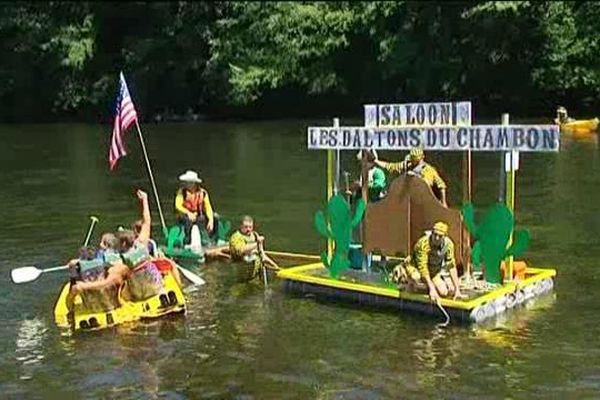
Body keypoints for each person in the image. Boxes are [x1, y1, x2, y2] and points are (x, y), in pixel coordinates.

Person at [71, 190, 172, 300]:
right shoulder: (142, 243)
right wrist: (145, 200)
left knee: (119, 279)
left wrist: (80, 272)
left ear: (123, 243)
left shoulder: (120, 260)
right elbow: (147, 221)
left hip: (139, 294)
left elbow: (101, 270)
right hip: (157, 287)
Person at [391, 221, 465, 302]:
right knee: (416, 277)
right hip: (415, 267)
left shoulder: (449, 245)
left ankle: (421, 286)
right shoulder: (423, 244)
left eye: (440, 236)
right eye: (435, 235)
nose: (436, 238)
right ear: (432, 233)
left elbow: (451, 266)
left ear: (444, 236)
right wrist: (432, 289)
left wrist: (457, 290)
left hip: (433, 270)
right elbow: (423, 268)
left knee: (443, 292)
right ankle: (403, 272)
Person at [373, 147, 448, 206]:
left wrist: (443, 202)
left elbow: (441, 185)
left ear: (422, 158)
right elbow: (390, 166)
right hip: (407, 201)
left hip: (424, 202)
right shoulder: (407, 165)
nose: (413, 162)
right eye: (412, 160)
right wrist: (375, 161)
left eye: (416, 160)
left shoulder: (429, 170)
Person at [174, 170, 219, 245]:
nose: (186, 184)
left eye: (189, 182)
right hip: (185, 216)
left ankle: (213, 240)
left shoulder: (203, 193)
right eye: (186, 182)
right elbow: (177, 205)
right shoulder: (182, 192)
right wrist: (188, 213)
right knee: (188, 221)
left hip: (199, 216)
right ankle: (187, 241)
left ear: (194, 183)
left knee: (215, 217)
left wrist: (211, 220)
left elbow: (208, 208)